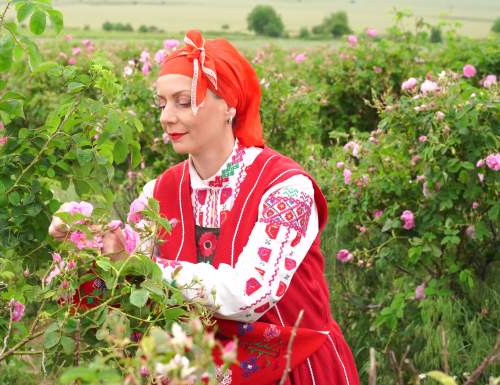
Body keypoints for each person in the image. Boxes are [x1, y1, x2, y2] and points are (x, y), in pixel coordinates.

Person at [50, 30, 360, 385]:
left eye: (183, 101)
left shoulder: (287, 188)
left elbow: (250, 295)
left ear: (229, 104)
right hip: (192, 370)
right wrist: (82, 245)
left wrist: (138, 263)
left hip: (291, 367)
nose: (166, 117)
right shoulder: (162, 190)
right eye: (161, 103)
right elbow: (125, 287)